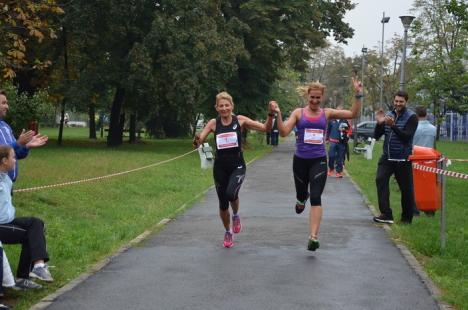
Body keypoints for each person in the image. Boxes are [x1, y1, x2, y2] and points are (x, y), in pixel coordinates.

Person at [271, 77, 362, 251]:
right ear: (307, 96)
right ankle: (300, 198)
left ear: (322, 97)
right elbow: (283, 132)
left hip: (319, 160)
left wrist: (358, 94)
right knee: (302, 194)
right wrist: (278, 113)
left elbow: (353, 114)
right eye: (312, 97)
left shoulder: (326, 113)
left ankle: (313, 237)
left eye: (317, 98)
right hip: (300, 161)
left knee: (316, 196)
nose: (314, 101)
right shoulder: (298, 113)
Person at [193, 91, 275, 248]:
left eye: (227, 105)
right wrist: (197, 140)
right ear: (216, 108)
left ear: (232, 106)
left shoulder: (241, 120)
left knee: (231, 193)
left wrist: (271, 114)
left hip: (237, 165)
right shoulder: (213, 123)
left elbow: (266, 128)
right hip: (220, 167)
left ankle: (236, 215)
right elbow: (200, 140)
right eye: (221, 106)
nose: (224, 108)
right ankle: (228, 232)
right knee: (223, 204)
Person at [0, 145, 53, 289]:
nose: (15, 160)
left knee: (36, 223)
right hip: (1, 225)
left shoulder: (7, 179)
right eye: (13, 157)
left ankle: (38, 265)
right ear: (4, 160)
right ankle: (24, 277)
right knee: (31, 235)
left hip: (8, 220)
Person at [373, 91, 418, 225]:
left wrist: (393, 126)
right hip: (387, 157)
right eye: (396, 101)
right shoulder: (389, 115)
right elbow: (377, 135)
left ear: (406, 102)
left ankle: (406, 219)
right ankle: (386, 214)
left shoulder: (412, 117)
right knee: (380, 179)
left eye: (401, 102)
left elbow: (406, 137)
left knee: (406, 190)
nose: (398, 104)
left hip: (402, 159)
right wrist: (379, 123)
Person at [0, 90, 48, 182]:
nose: (7, 106)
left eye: (7, 103)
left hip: (7, 187)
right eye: (3, 103)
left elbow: (15, 155)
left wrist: (26, 146)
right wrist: (18, 143)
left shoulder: (6, 127)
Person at [413, 105, 437, 216]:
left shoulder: (414, 128)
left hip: (416, 159)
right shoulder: (433, 128)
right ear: (426, 114)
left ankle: (415, 209)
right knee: (429, 186)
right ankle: (429, 209)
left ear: (416, 115)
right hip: (430, 160)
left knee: (414, 186)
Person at [326, 105, 351, 178]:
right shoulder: (331, 120)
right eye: (338, 111)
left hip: (341, 142)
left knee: (340, 157)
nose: (339, 112)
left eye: (341, 111)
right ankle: (331, 169)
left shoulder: (344, 120)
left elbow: (348, 130)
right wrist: (327, 139)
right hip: (332, 141)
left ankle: (339, 172)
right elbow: (328, 130)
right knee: (331, 156)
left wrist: (346, 131)